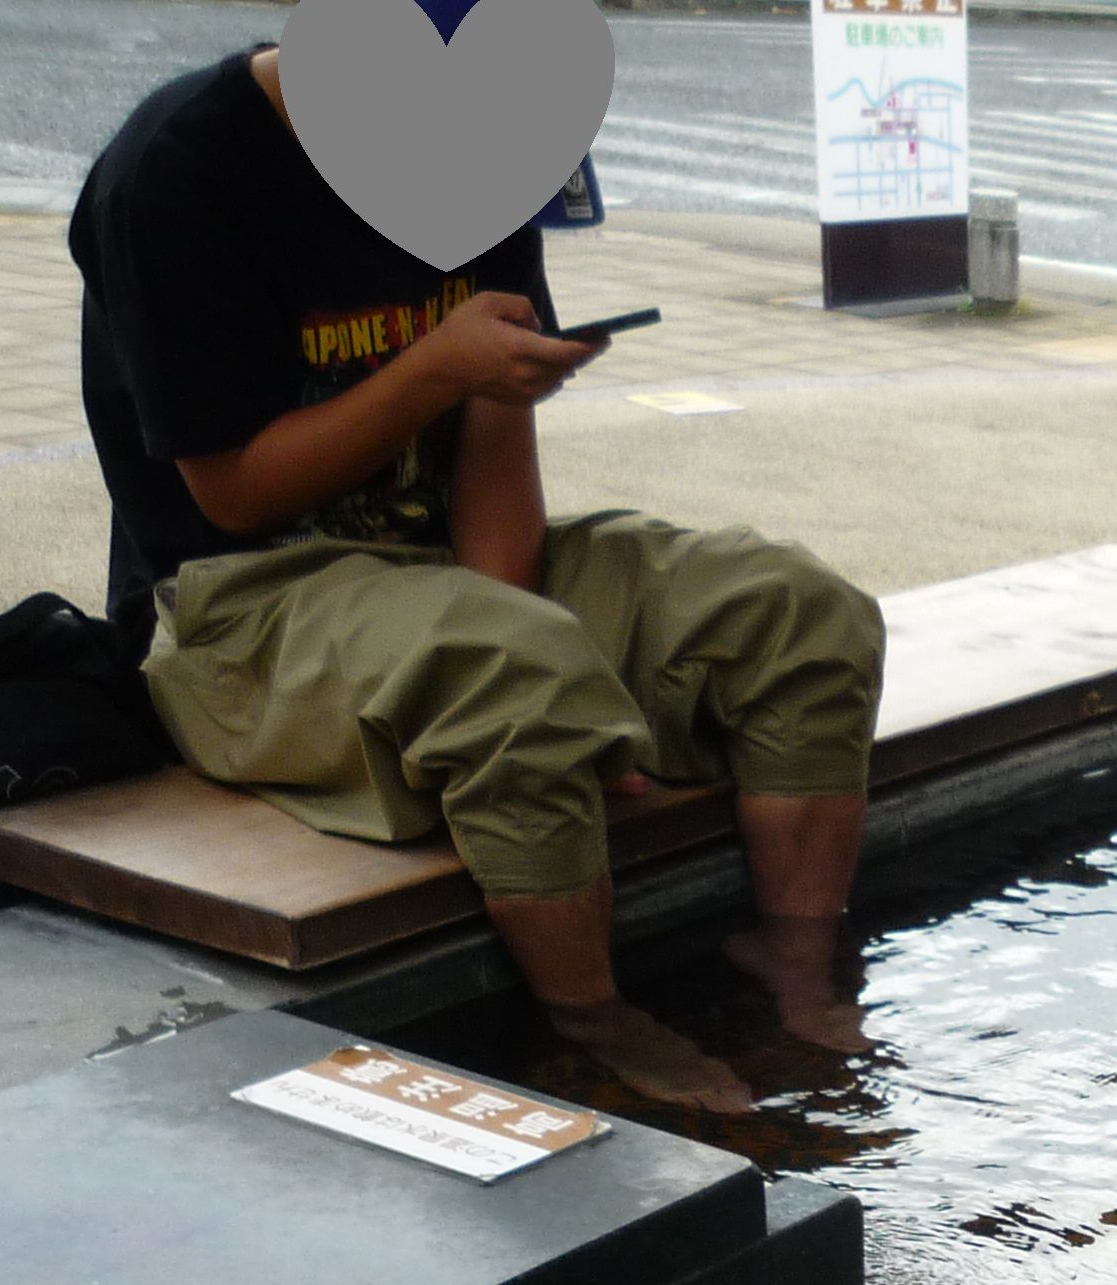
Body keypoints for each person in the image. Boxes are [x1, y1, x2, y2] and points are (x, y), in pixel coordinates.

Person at [69, 43, 883, 1113]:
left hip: (425, 565)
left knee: (794, 613)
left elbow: (496, 450)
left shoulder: (489, 131)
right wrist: (434, 372)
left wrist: (548, 653)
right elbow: (232, 493)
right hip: (236, 606)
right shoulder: (179, 169)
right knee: (514, 670)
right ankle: (587, 1022)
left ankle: (794, 958)